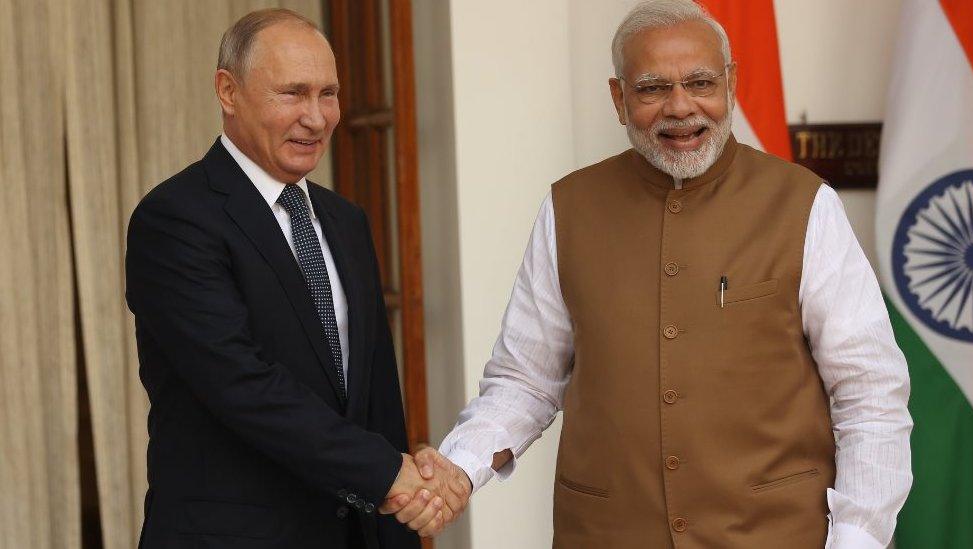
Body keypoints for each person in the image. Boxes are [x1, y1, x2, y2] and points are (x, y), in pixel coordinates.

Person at [394, 0, 913, 547]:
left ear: (731, 86)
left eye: (701, 83)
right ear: (619, 99)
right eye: (652, 89)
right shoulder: (569, 207)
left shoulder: (805, 205)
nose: (681, 107)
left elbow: (869, 393)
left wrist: (857, 537)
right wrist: (457, 468)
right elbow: (525, 379)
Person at [125, 9, 466, 548]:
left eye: (328, 94)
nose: (317, 117)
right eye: (292, 93)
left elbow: (375, 396)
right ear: (228, 91)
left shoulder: (345, 220)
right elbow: (241, 383)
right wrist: (387, 473)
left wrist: (402, 513)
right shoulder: (175, 220)